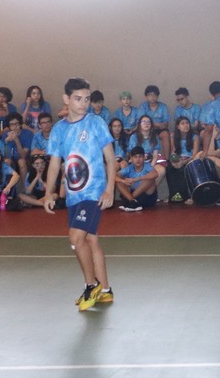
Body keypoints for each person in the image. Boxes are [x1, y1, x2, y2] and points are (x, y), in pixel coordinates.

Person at [44, 77, 117, 312]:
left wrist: (109, 189)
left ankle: (91, 286)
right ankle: (105, 291)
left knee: (76, 239)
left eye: (86, 99)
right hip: (73, 195)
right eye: (78, 99)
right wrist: (49, 193)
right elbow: (54, 164)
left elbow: (111, 160)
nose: (84, 103)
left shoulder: (96, 123)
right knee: (90, 240)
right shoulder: (59, 129)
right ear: (66, 99)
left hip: (94, 192)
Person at [116, 146, 159, 211]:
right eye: (135, 157)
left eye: (140, 157)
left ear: (144, 158)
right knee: (118, 181)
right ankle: (132, 201)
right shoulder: (129, 168)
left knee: (150, 179)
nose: (138, 159)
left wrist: (137, 179)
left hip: (147, 198)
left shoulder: (147, 166)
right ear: (131, 158)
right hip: (133, 196)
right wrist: (123, 181)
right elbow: (115, 176)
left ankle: (130, 200)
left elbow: (155, 174)